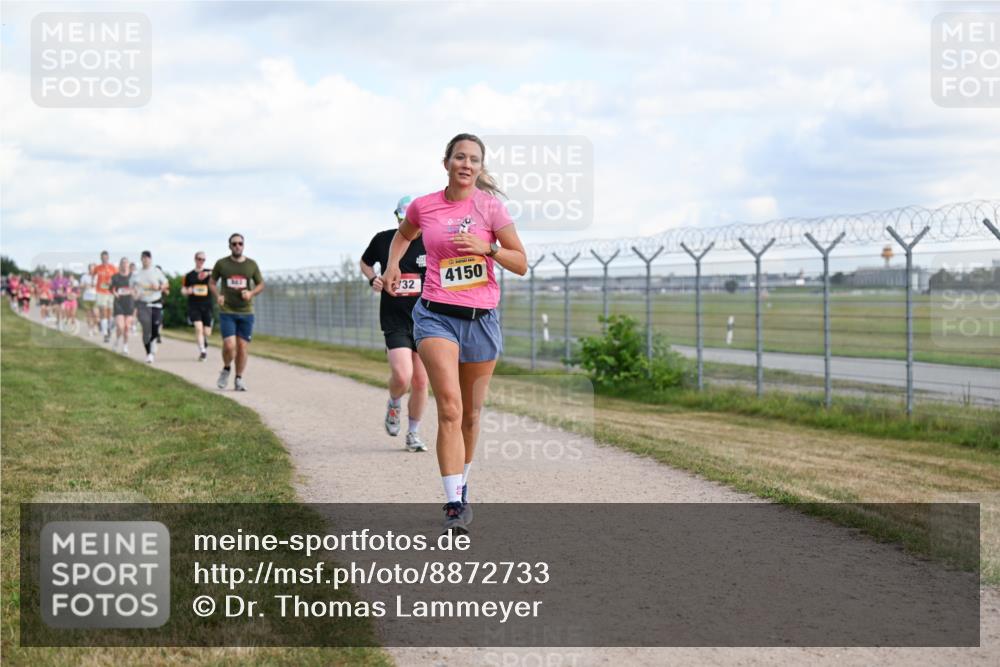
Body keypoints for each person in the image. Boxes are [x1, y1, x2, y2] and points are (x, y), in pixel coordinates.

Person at [383, 133, 527, 533]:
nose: (466, 164)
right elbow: (404, 234)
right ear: (446, 162)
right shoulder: (424, 206)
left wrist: (489, 249)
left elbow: (521, 263)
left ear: (480, 168)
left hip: (481, 320)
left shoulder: (491, 209)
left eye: (474, 159)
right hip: (434, 317)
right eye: (459, 157)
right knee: (449, 405)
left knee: (471, 413)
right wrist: (393, 265)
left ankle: (462, 486)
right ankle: (452, 504)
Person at [361, 195, 430, 452]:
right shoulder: (383, 239)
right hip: (395, 319)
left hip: (426, 320)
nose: (409, 224)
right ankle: (394, 402)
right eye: (404, 219)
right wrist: (373, 279)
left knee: (421, 382)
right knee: (403, 376)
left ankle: (413, 434)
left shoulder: (431, 242)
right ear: (398, 217)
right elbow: (365, 262)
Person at [210, 233, 264, 391]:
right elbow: (212, 282)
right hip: (227, 310)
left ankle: (239, 378)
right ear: (229, 246)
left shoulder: (251, 265)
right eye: (234, 244)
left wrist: (251, 293)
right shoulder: (222, 264)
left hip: (246, 311)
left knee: (242, 346)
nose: (237, 246)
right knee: (229, 345)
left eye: (240, 243)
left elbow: (261, 284)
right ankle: (226, 368)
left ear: (244, 245)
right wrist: (218, 295)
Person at [132, 251, 170, 364]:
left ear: (150, 259)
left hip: (156, 303)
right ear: (141, 259)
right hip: (142, 303)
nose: (145, 260)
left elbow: (166, 284)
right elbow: (132, 288)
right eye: (143, 258)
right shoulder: (137, 274)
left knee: (155, 326)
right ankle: (149, 353)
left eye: (147, 258)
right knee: (145, 327)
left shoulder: (156, 271)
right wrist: (135, 294)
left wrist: (159, 286)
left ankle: (153, 342)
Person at [182, 251, 214, 361]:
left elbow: (220, 272)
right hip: (194, 305)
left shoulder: (208, 272)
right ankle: (203, 351)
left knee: (207, 332)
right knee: (198, 328)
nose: (201, 261)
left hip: (207, 305)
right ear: (195, 259)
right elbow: (183, 289)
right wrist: (187, 291)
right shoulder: (189, 275)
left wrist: (208, 273)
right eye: (199, 259)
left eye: (203, 259)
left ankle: (204, 341)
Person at [109, 258, 134, 354]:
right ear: (120, 265)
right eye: (122, 263)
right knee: (120, 326)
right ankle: (117, 341)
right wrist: (115, 293)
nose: (124, 265)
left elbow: (137, 288)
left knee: (127, 327)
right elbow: (111, 288)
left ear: (128, 265)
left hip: (129, 303)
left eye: (126, 263)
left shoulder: (133, 277)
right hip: (118, 303)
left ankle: (125, 346)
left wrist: (133, 291)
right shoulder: (115, 277)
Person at [93, 251, 117, 343]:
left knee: (109, 313)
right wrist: (93, 284)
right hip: (100, 292)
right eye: (103, 257)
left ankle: (109, 329)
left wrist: (112, 283)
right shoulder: (97, 268)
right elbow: (93, 277)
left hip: (110, 292)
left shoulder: (113, 268)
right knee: (103, 311)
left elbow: (117, 278)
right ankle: (105, 334)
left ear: (108, 258)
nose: (104, 259)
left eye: (106, 257)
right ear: (101, 258)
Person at [80, 263, 99, 336]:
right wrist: (86, 285)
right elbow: (80, 286)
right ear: (88, 269)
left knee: (96, 314)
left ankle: (95, 326)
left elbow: (103, 285)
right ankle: (90, 329)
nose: (92, 270)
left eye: (93, 269)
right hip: (87, 297)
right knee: (89, 315)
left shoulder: (97, 276)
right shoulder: (84, 276)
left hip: (95, 297)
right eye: (91, 269)